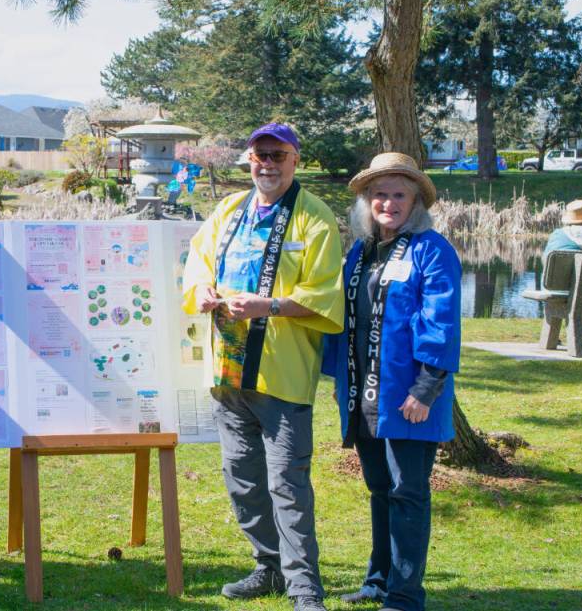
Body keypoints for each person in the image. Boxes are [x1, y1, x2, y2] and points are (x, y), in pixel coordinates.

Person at [182, 123, 344, 611]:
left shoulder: (314, 219)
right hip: (228, 372)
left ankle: (304, 589)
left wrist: (267, 307)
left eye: (277, 155)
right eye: (259, 156)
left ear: (295, 159)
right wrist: (204, 291)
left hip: (281, 375)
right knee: (242, 479)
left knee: (287, 484)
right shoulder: (229, 209)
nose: (267, 165)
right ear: (248, 161)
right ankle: (268, 566)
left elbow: (324, 295)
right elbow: (196, 262)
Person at [321, 152, 461, 611]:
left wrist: (426, 388)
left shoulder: (431, 249)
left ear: (416, 200)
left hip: (409, 397)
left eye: (399, 194)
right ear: (366, 201)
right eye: (379, 194)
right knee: (380, 488)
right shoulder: (359, 252)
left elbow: (441, 322)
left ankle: (404, 596)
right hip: (366, 396)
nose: (388, 203)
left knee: (408, 493)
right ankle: (377, 580)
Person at [542, 200, 582, 347]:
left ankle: (553, 337)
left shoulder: (558, 235)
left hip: (557, 288)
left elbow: (546, 262)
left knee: (552, 284)